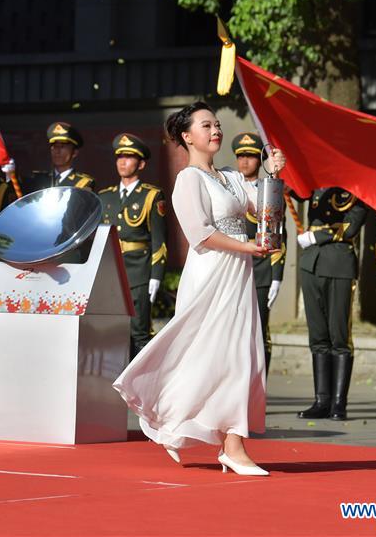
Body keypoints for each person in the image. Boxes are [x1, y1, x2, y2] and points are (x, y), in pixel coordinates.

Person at [114, 101, 285, 475]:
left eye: (217, 125)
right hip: (212, 273)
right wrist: (248, 247)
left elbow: (263, 208)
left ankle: (225, 443)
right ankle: (214, 440)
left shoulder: (231, 176)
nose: (215, 131)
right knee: (210, 356)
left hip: (238, 271)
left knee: (242, 356)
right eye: (206, 125)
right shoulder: (189, 180)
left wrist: (271, 174)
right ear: (188, 136)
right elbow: (201, 235)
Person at [294, 188, 367, 421]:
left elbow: (352, 226)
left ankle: (338, 403)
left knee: (339, 337)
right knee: (318, 337)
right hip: (311, 265)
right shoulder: (315, 187)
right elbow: (293, 187)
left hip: (338, 266)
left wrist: (317, 236)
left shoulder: (354, 189)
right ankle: (321, 400)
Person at [97, 133, 167, 357]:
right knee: (111, 331)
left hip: (139, 272)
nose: (122, 162)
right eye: (120, 157)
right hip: (111, 273)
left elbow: (159, 241)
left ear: (141, 163)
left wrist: (156, 276)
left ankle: (141, 389)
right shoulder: (104, 197)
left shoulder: (151, 195)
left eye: (129, 157)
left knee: (139, 332)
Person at [232, 133, 286, 376]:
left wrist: (277, 275)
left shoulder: (270, 189)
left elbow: (277, 231)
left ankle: (260, 382)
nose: (245, 161)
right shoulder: (230, 188)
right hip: (234, 267)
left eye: (251, 156)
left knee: (260, 331)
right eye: (241, 156)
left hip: (261, 268)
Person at [2, 122, 94, 193]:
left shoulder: (83, 182)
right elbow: (17, 193)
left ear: (74, 152)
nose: (57, 151)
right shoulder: (39, 180)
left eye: (63, 146)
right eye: (54, 146)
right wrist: (10, 174)